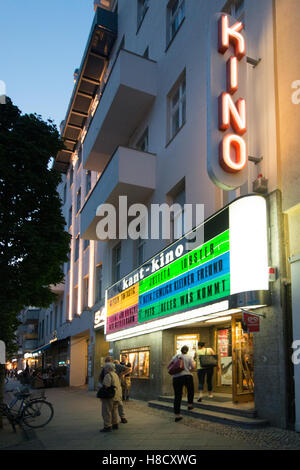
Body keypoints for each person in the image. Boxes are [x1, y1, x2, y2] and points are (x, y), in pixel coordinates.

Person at [168, 345, 195, 422]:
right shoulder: (189, 357)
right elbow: (193, 367)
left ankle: (177, 415)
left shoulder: (175, 356)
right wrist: (189, 369)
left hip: (176, 378)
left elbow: (169, 365)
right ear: (187, 350)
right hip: (187, 376)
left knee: (177, 396)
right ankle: (190, 405)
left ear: (181, 350)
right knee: (190, 390)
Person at [99, 363, 123, 433]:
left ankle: (107, 426)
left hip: (109, 396)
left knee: (106, 411)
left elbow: (106, 386)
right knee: (114, 411)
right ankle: (115, 424)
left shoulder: (108, 375)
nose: (104, 369)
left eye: (105, 368)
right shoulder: (115, 375)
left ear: (108, 368)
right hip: (116, 396)